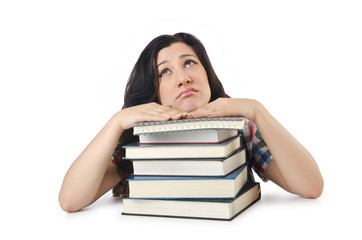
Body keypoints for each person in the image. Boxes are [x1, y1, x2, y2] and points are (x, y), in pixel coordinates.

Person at [58, 33, 324, 213]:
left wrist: (258, 111)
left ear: (207, 74)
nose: (183, 78)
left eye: (189, 63)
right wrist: (115, 122)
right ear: (154, 93)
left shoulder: (240, 130)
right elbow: (70, 200)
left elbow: (311, 186)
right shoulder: (139, 143)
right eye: (165, 71)